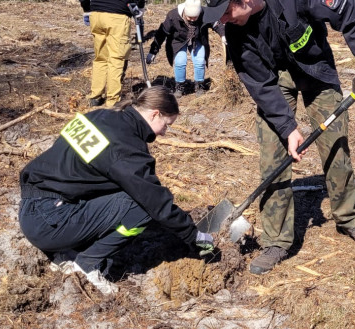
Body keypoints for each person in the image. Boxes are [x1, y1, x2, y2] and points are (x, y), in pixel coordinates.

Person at [201, 0, 355, 275]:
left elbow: (350, 8)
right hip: (274, 81)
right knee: (273, 157)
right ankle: (276, 241)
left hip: (316, 71)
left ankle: (350, 218)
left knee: (335, 145)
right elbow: (260, 85)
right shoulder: (235, 31)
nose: (224, 20)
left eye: (226, 11)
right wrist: (288, 128)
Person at [18, 86, 213, 295]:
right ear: (155, 114)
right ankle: (87, 264)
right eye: (166, 125)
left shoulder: (100, 116)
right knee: (141, 207)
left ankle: (70, 248)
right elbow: (155, 201)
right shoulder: (125, 147)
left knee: (128, 193)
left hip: (32, 208)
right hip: (50, 224)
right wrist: (193, 236)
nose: (164, 132)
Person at [76, 0, 147, 107]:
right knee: (116, 58)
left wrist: (87, 9)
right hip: (117, 17)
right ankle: (113, 101)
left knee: (100, 57)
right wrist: (139, 6)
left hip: (97, 17)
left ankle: (95, 96)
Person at [147, 0, 224, 97]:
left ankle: (199, 85)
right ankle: (180, 86)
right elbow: (161, 33)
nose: (192, 20)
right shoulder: (173, 16)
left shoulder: (205, 13)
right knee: (180, 61)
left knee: (200, 60)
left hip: (197, 39)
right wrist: (153, 51)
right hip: (178, 40)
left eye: (195, 17)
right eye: (189, 17)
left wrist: (223, 35)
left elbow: (217, 24)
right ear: (184, 12)